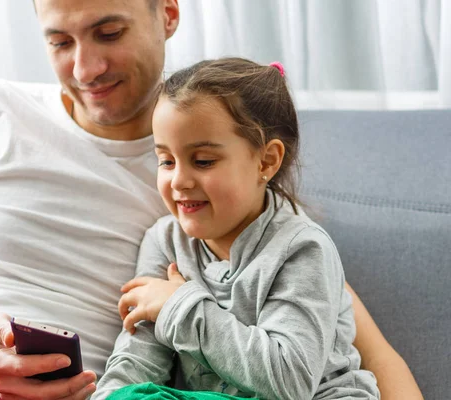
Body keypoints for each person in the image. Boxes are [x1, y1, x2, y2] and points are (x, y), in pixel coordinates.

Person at [0, 1, 423, 399]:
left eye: (109, 33)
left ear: (167, 13)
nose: (86, 68)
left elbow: (360, 351)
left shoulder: (220, 191)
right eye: (60, 41)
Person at [94, 58, 379, 400]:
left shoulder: (302, 249)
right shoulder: (164, 241)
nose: (179, 181)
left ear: (266, 161)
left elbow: (289, 381)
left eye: (203, 161)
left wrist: (178, 307)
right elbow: (137, 358)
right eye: (166, 161)